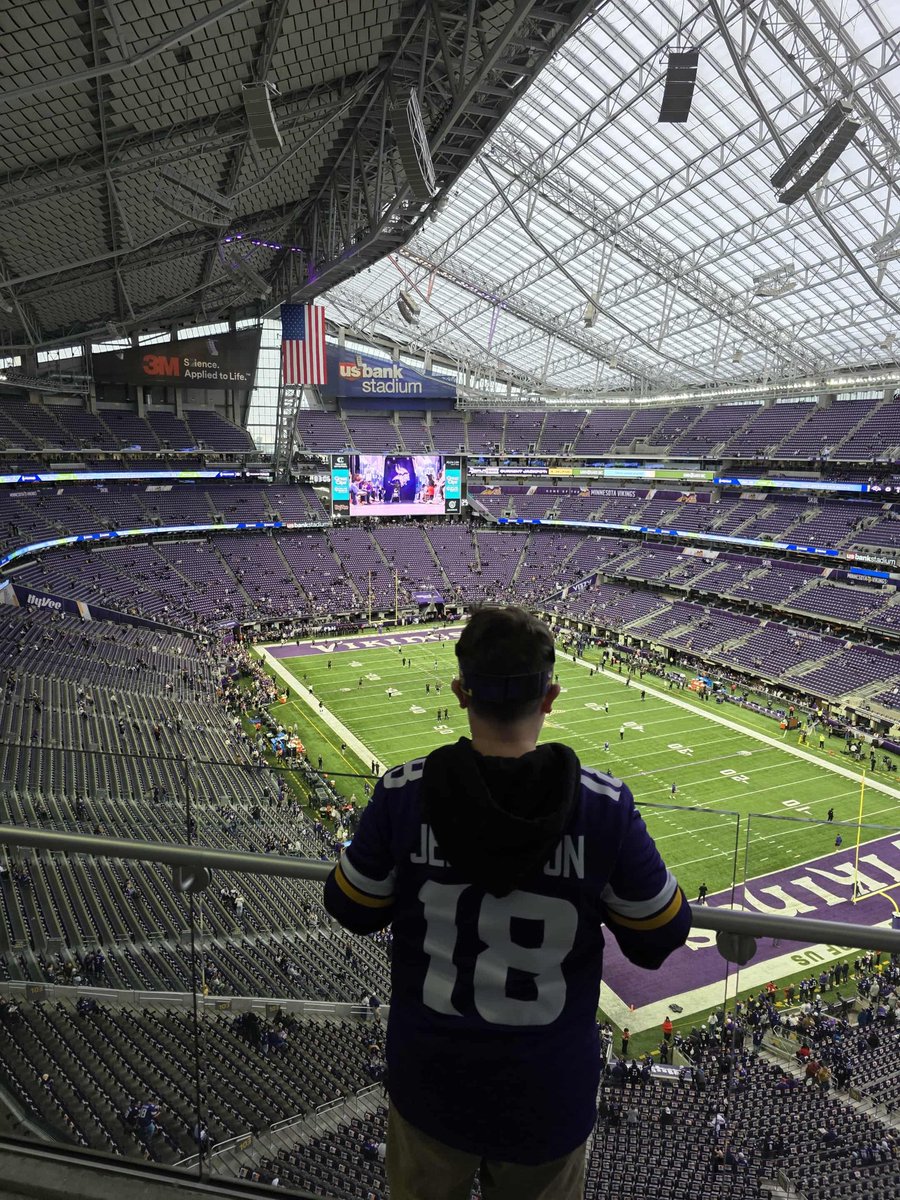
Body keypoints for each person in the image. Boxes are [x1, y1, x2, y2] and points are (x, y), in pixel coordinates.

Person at [323, 606, 690, 1200]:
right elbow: (659, 936)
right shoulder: (602, 806)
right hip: (547, 1093)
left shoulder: (403, 792)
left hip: (431, 1081)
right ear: (551, 697)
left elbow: (351, 906)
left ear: (460, 692)